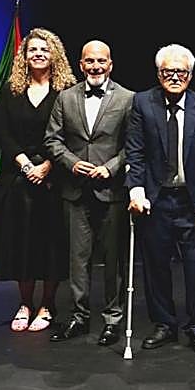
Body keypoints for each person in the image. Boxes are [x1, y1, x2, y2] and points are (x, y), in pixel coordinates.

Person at [126, 44, 195, 355]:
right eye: (168, 72)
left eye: (181, 72)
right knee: (155, 266)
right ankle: (164, 324)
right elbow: (136, 151)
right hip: (155, 199)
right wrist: (135, 190)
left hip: (192, 201)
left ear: (190, 75)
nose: (174, 77)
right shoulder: (142, 102)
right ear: (158, 73)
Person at [43, 39, 134, 344]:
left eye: (101, 61)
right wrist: (72, 163)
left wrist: (110, 167)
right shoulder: (65, 98)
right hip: (76, 189)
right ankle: (79, 318)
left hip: (111, 190)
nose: (95, 66)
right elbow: (52, 140)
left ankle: (112, 320)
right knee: (77, 259)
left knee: (113, 261)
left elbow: (133, 145)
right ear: (81, 65)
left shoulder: (127, 98)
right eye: (89, 61)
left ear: (110, 64)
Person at [0, 28, 76, 333]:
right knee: (21, 245)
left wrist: (49, 165)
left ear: (55, 55)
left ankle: (48, 304)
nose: (38, 54)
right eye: (32, 50)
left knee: (50, 245)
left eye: (44, 49)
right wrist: (26, 165)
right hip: (18, 178)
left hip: (55, 179)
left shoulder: (67, 92)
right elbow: (3, 132)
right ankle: (25, 303)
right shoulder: (11, 91)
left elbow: (73, 135)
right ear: (24, 56)